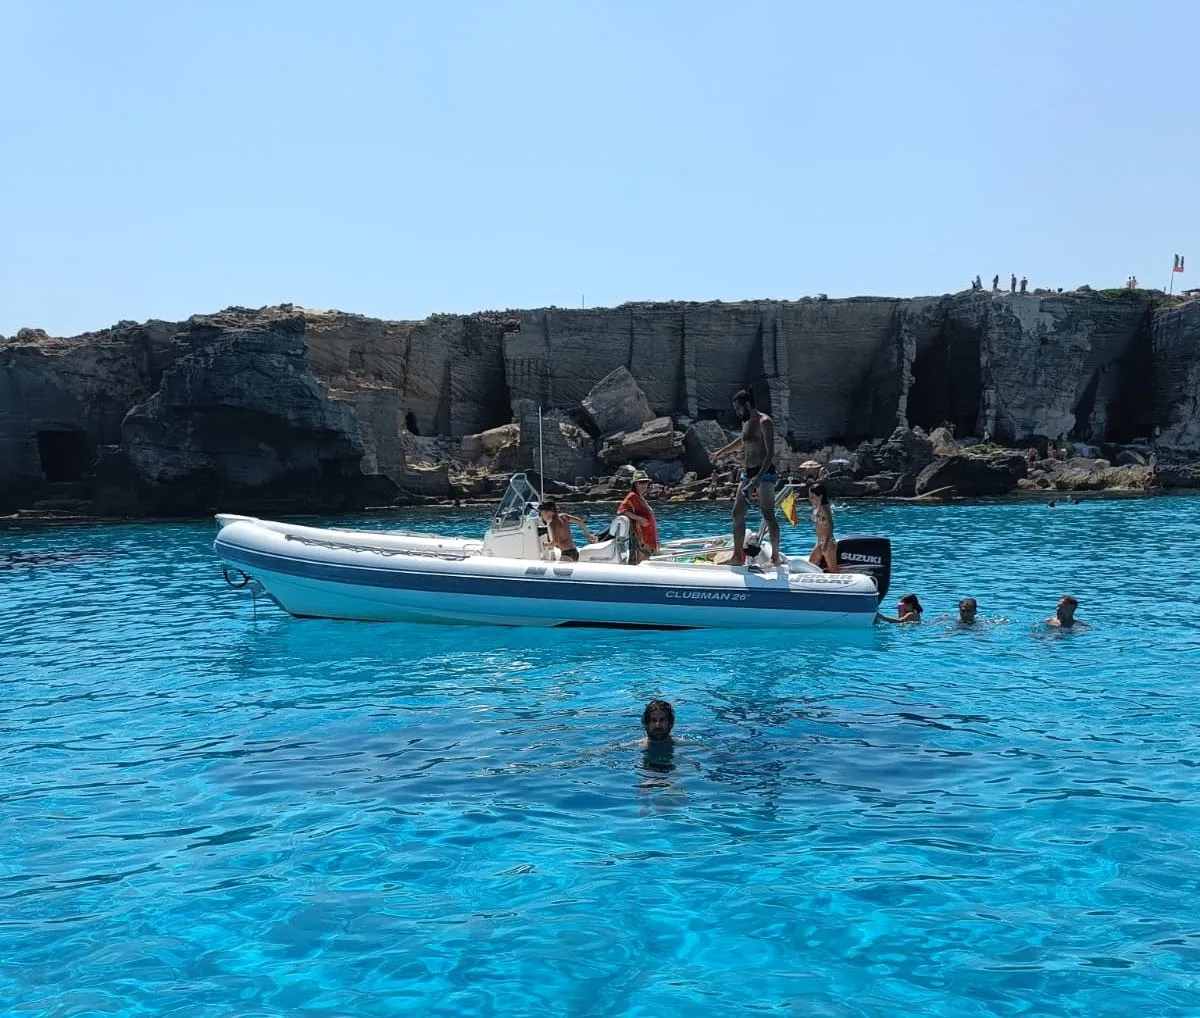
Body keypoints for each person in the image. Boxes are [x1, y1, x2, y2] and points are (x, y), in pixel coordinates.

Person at [709, 388, 781, 566]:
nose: (736, 412)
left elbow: (770, 453)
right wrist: (720, 452)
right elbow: (742, 441)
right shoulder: (746, 421)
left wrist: (759, 477)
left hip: (765, 474)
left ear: (747, 405)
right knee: (737, 512)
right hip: (747, 473)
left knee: (768, 513)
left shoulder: (765, 422)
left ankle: (775, 557)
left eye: (738, 408)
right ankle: (736, 557)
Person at [618, 470, 658, 563]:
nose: (644, 485)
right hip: (641, 537)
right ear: (635, 484)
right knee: (641, 562)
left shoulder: (641, 497)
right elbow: (621, 511)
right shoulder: (632, 496)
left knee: (646, 561)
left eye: (646, 482)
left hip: (648, 536)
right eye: (641, 483)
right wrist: (640, 519)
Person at [807, 482, 837, 572]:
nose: (810, 498)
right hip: (819, 543)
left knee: (832, 570)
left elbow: (831, 525)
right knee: (810, 565)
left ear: (820, 496)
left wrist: (827, 543)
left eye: (812, 496)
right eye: (809, 496)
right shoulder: (816, 507)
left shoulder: (825, 508)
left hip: (828, 543)